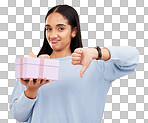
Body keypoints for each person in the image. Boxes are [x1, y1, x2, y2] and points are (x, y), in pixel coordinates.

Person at [9, 5, 139, 123]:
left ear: (74, 31)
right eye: (48, 29)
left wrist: (97, 53)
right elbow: (19, 115)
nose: (53, 35)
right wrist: (32, 90)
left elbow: (133, 57)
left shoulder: (93, 65)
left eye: (60, 28)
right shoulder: (34, 66)